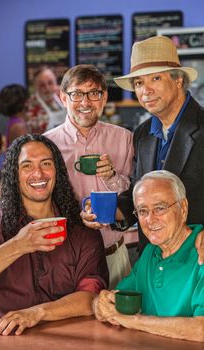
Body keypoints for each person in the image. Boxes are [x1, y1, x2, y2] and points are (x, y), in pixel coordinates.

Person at [0, 134, 108, 335]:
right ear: (14, 174)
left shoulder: (82, 230)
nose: (38, 173)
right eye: (27, 166)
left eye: (46, 164)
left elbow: (91, 298)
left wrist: (37, 313)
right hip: (0, 339)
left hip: (69, 340)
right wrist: (18, 245)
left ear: (57, 172)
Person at [85, 35, 204, 258]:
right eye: (139, 83)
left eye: (155, 79)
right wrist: (109, 211)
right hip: (152, 259)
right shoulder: (142, 134)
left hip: (197, 262)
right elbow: (138, 196)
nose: (145, 90)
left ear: (178, 80)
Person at [44, 64, 134, 289]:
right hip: (66, 260)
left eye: (94, 93)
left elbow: (134, 192)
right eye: (77, 94)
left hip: (115, 256)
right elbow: (35, 198)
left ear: (104, 98)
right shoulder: (46, 144)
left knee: (121, 321)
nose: (85, 102)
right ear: (64, 98)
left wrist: (112, 176)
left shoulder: (124, 138)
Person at [93, 170, 204, 343]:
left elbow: (201, 329)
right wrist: (101, 305)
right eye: (143, 211)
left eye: (160, 208)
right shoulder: (150, 252)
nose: (150, 220)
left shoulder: (201, 252)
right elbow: (116, 300)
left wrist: (134, 321)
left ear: (183, 209)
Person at [26, 66, 66, 133]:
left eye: (50, 83)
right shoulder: (30, 105)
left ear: (56, 82)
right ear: (35, 87)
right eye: (42, 85)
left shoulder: (64, 96)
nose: (47, 88)